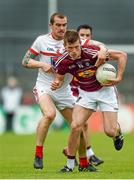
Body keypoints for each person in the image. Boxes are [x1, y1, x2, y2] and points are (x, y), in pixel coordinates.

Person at [22, 13, 108, 170]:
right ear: (51, 25)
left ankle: (83, 164)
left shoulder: (73, 40)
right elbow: (25, 61)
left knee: (79, 126)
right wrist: (41, 64)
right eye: (58, 25)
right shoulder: (42, 41)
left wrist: (102, 49)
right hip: (45, 86)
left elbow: (99, 44)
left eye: (64, 25)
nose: (62, 28)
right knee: (49, 115)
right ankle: (39, 154)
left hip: (64, 90)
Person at [51, 29, 127, 172]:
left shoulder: (93, 52)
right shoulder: (62, 61)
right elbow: (60, 78)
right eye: (70, 48)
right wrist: (56, 83)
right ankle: (69, 165)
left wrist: (119, 77)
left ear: (81, 44)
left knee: (109, 132)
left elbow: (122, 55)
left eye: (76, 47)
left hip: (105, 92)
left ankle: (117, 131)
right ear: (64, 46)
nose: (74, 51)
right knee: (75, 126)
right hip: (86, 94)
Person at [67, 24, 104, 166]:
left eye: (87, 35)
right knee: (80, 124)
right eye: (82, 35)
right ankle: (88, 154)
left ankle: (82, 153)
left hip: (82, 91)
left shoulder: (91, 49)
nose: (84, 37)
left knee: (82, 125)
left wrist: (103, 49)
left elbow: (103, 47)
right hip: (70, 91)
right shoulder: (70, 50)